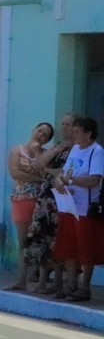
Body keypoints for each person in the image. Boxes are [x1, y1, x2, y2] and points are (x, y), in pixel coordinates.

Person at [51, 115, 103, 302]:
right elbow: (64, 173)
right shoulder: (74, 149)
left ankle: (84, 287)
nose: (73, 135)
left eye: (77, 132)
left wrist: (70, 181)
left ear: (88, 134)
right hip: (68, 205)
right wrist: (59, 180)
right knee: (69, 247)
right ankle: (70, 284)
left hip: (85, 208)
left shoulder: (96, 151)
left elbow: (94, 179)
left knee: (86, 248)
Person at [25, 113, 75, 294]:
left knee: (57, 240)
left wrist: (50, 170)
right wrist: (55, 151)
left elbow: (67, 172)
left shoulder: (77, 148)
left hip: (62, 199)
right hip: (45, 197)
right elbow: (39, 164)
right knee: (41, 237)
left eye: (68, 124)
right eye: (63, 124)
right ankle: (42, 281)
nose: (64, 127)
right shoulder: (57, 146)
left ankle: (61, 282)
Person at [3, 122, 53, 290]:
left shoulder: (45, 154)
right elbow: (15, 173)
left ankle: (41, 281)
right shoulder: (17, 151)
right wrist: (38, 179)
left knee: (42, 240)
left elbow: (45, 173)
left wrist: (38, 153)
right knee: (24, 240)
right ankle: (22, 280)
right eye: (40, 131)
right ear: (34, 130)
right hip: (21, 199)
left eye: (45, 135)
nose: (40, 135)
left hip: (40, 201)